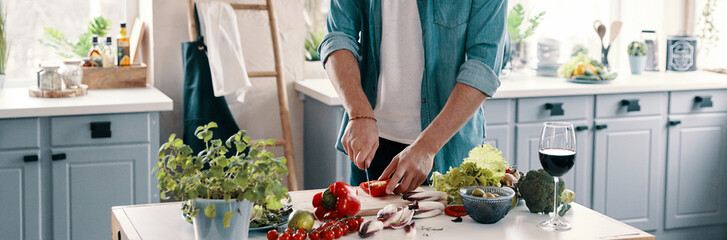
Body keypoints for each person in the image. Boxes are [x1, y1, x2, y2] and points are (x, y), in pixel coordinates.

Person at [318, 0, 507, 195]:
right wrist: (359, 113)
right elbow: (337, 37)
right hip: (370, 142)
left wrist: (427, 147)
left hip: (447, 146)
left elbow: (484, 63)